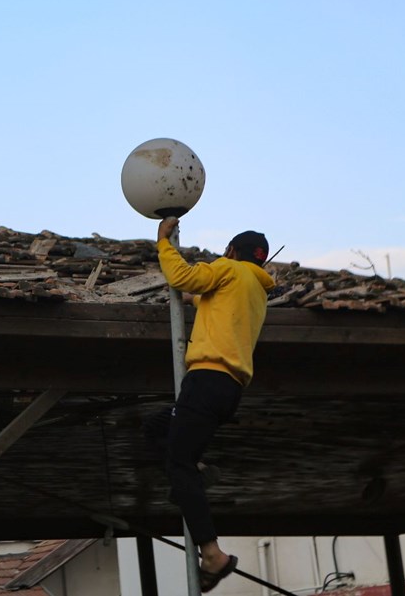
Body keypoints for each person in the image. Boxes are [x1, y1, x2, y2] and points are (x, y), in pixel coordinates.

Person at [146, 216, 275, 592]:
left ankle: (213, 553)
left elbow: (183, 278)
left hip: (206, 380)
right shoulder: (255, 289)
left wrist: (163, 244)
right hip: (228, 389)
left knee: (178, 464)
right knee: (157, 428)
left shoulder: (227, 268)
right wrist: (198, 300)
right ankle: (195, 475)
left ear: (232, 252)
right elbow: (215, 305)